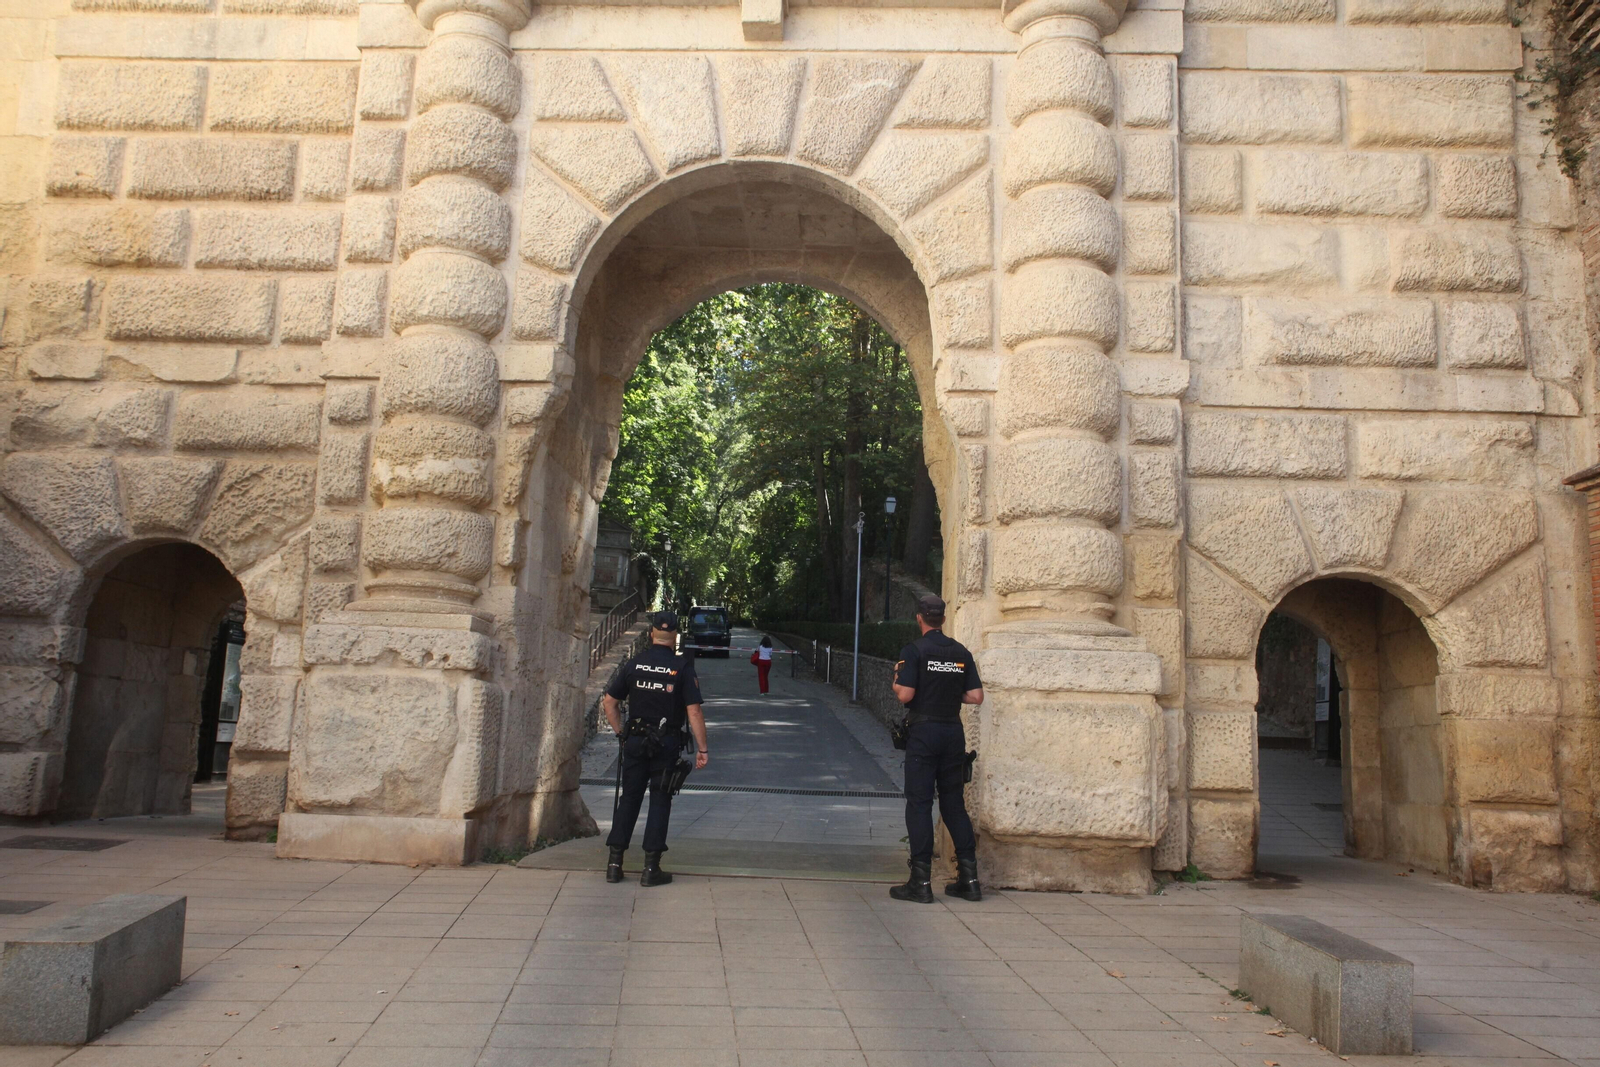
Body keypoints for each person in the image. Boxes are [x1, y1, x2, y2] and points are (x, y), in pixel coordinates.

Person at [601, 610, 710, 887]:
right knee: (660, 800)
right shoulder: (682, 668)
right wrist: (702, 749)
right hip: (666, 744)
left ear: (651, 634)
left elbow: (609, 702)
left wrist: (620, 733)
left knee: (629, 799)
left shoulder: (634, 664)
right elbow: (694, 711)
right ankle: (651, 869)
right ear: (674, 637)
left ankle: (614, 864)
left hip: (635, 741)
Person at [889, 594, 983, 904]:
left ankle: (920, 882)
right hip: (952, 733)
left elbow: (905, 694)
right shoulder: (960, 652)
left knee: (919, 803)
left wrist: (896, 682)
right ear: (943, 619)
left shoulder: (914, 651)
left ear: (920, 618)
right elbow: (975, 696)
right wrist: (949, 689)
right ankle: (969, 880)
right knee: (953, 803)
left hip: (924, 733)